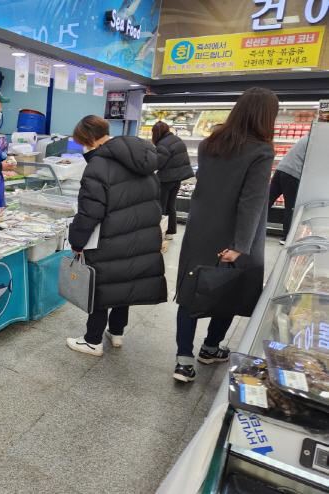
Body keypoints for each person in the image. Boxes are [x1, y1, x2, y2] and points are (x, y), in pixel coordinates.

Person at [174, 87, 279, 382]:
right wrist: (240, 245)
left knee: (190, 293)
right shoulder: (261, 150)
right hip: (235, 236)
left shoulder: (210, 143)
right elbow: (252, 201)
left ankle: (183, 360)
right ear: (266, 116)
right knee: (228, 289)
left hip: (200, 229)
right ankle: (210, 348)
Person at [66, 115, 167, 356]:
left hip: (109, 238)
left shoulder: (98, 165)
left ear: (90, 139)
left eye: (83, 141)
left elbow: (90, 211)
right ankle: (117, 332)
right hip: (139, 235)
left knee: (102, 286)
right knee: (125, 282)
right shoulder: (143, 158)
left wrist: (77, 242)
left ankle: (92, 340)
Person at [152, 121, 194, 241]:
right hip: (178, 178)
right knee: (171, 204)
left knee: (161, 205)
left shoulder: (163, 144)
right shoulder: (177, 139)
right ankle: (170, 231)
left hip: (167, 178)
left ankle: (160, 232)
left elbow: (158, 163)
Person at [268, 133, 309, 244]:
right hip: (293, 173)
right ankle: (287, 238)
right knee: (291, 207)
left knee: (265, 202)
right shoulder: (318, 139)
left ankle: (250, 231)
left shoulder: (308, 136)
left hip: (281, 169)